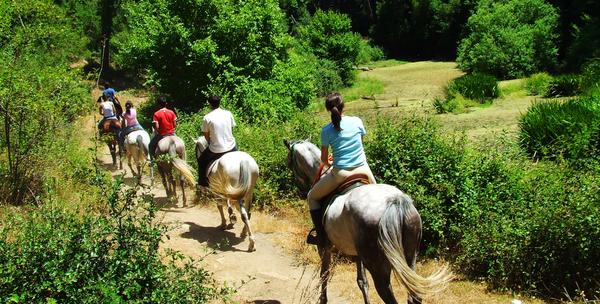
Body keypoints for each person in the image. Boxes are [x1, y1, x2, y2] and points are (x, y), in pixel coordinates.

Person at [306, 92, 376, 246]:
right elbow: (360, 145)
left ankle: (321, 237)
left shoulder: (326, 131)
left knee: (312, 197)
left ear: (328, 110)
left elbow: (323, 160)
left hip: (341, 174)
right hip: (363, 170)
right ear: (344, 106)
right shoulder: (357, 121)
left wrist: (331, 162)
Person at [197, 95, 238, 187]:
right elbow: (231, 130)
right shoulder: (228, 113)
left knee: (201, 160)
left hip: (216, 149)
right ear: (220, 102)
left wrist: (211, 142)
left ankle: (203, 183)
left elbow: (206, 137)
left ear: (209, 104)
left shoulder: (207, 117)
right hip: (232, 146)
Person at [148, 96, 177, 161]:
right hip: (172, 134)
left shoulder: (156, 114)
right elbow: (175, 124)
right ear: (166, 103)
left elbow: (157, 127)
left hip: (162, 135)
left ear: (158, 104)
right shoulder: (171, 112)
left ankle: (152, 162)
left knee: (150, 145)